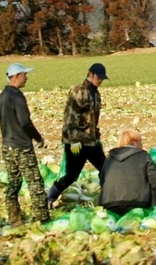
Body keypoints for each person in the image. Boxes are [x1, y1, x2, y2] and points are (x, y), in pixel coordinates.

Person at [46, 63, 109, 207]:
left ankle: (107, 197)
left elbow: (92, 120)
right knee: (71, 175)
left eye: (102, 79)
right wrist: (74, 140)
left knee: (106, 169)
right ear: (90, 74)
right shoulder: (79, 91)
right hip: (77, 143)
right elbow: (70, 117)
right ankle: (49, 198)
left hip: (91, 142)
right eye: (98, 77)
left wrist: (96, 137)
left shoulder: (96, 95)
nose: (100, 81)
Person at [0, 63, 50, 225]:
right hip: (21, 147)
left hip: (7, 145)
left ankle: (14, 217)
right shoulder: (17, 96)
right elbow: (25, 122)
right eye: (25, 74)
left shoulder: (0, 98)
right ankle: (43, 219)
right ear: (17, 76)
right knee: (35, 183)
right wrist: (38, 138)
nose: (27, 77)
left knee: (14, 181)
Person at [99, 129, 156, 216]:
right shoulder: (143, 156)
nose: (142, 144)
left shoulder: (109, 159)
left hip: (110, 205)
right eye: (141, 141)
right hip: (138, 203)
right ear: (134, 142)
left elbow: (102, 182)